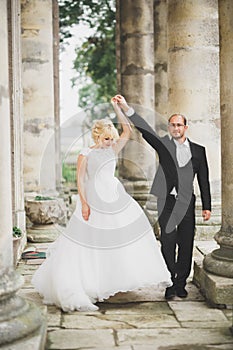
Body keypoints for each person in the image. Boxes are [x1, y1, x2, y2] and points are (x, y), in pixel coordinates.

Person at [32, 98, 171, 312]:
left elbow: (127, 131)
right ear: (98, 135)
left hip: (115, 195)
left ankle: (116, 280)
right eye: (106, 138)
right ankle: (93, 282)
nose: (109, 142)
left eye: (111, 139)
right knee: (92, 240)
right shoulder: (85, 153)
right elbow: (80, 180)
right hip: (93, 198)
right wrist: (84, 204)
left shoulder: (112, 149)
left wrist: (118, 109)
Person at [113, 94, 211, 300]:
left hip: (187, 202)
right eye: (172, 125)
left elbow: (204, 179)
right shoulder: (164, 144)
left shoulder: (199, 151)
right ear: (169, 128)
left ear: (185, 127)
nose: (175, 128)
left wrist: (207, 205)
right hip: (166, 200)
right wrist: (126, 108)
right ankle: (169, 280)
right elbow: (146, 131)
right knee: (167, 241)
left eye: (179, 125)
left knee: (186, 242)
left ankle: (180, 283)